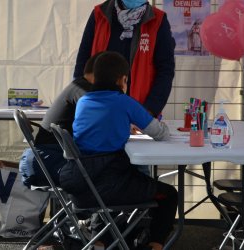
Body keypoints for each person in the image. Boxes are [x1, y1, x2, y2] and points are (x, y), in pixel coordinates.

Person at [60, 51, 178, 250]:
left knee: (124, 185)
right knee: (169, 195)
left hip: (82, 185)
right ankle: (155, 245)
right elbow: (160, 133)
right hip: (111, 185)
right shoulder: (124, 102)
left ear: (95, 77)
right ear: (122, 79)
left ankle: (102, 242)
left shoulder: (83, 102)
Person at [73, 0, 175, 118]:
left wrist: (149, 111)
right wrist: (83, 101)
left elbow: (165, 71)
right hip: (97, 109)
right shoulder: (99, 14)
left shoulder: (158, 20)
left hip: (138, 111)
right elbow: (82, 63)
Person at [18, 53, 101, 188]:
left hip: (42, 159)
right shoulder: (83, 89)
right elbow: (101, 112)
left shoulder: (77, 85)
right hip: (49, 160)